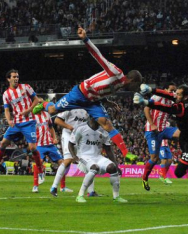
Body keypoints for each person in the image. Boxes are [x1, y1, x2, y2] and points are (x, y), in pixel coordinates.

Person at [32, 26, 141, 163]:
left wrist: (107, 102)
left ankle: (126, 153)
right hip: (79, 94)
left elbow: (100, 92)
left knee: (107, 124)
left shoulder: (120, 86)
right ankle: (44, 103)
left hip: (92, 102)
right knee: (53, 110)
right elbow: (98, 56)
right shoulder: (116, 72)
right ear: (132, 80)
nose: (136, 88)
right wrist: (85, 39)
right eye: (137, 84)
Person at [134, 84, 188, 179]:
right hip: (184, 137)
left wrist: (146, 102)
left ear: (185, 97)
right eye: (176, 93)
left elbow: (164, 107)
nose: (175, 95)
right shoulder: (183, 101)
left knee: (178, 173)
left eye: (178, 94)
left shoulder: (181, 109)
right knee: (179, 134)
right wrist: (151, 89)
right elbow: (168, 95)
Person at [0, 70, 43, 188]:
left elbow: (36, 99)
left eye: (17, 77)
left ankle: (41, 171)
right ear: (8, 79)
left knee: (32, 147)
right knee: (3, 143)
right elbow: (6, 110)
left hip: (29, 121)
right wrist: (9, 120)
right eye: (14, 77)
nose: (16, 79)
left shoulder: (26, 87)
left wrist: (28, 110)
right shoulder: (6, 94)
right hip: (16, 123)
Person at [69, 116, 127, 203]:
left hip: (97, 157)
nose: (104, 120)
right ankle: (80, 195)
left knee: (112, 168)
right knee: (94, 168)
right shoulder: (81, 128)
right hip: (84, 156)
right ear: (93, 117)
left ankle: (116, 197)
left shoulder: (104, 131)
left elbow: (108, 149)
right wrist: (74, 156)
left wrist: (116, 165)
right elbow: (70, 143)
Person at [142, 83, 179, 190]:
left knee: (182, 133)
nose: (172, 93)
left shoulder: (172, 101)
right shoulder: (158, 97)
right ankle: (144, 178)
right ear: (165, 90)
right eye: (171, 90)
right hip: (152, 130)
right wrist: (152, 124)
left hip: (164, 129)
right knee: (154, 158)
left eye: (174, 91)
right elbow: (146, 109)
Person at [50, 109, 89, 197]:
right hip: (68, 135)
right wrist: (69, 127)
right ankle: (54, 187)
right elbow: (57, 120)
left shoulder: (86, 109)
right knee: (67, 160)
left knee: (87, 160)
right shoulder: (70, 106)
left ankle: (91, 191)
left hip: (80, 137)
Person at [33, 109, 64, 193]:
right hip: (39, 145)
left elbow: (51, 127)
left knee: (62, 162)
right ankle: (35, 186)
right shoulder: (32, 117)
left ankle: (62, 187)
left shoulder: (46, 114)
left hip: (50, 144)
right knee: (39, 161)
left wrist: (54, 138)